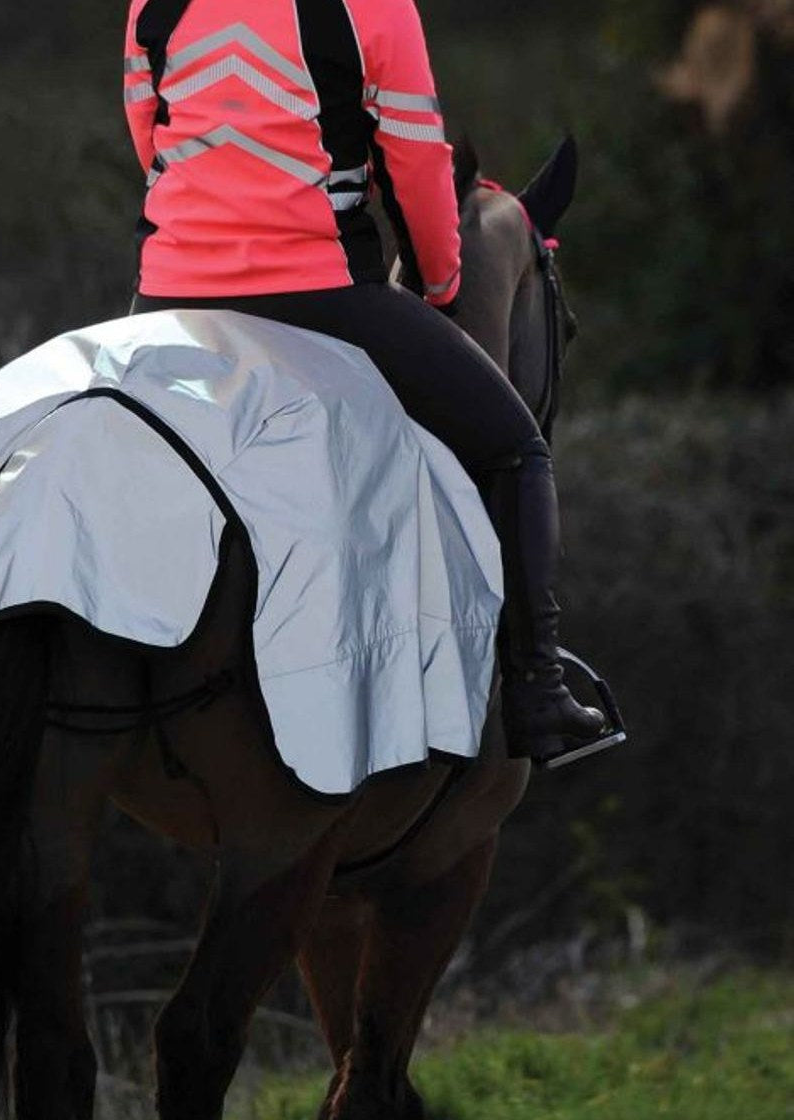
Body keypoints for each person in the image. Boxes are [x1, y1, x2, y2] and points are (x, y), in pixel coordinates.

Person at [123, 0, 607, 765]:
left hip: (166, 299)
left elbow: (150, 135)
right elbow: (417, 164)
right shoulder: (372, 6)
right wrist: (442, 285)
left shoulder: (156, 4)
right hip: (317, 295)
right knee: (516, 446)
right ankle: (538, 692)